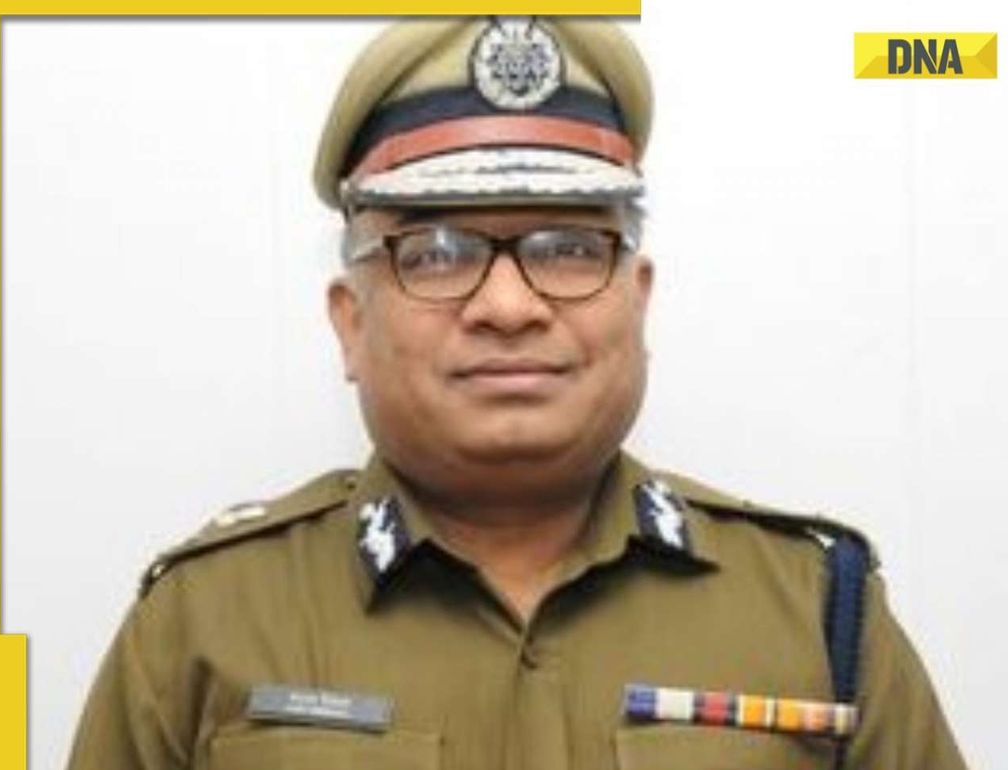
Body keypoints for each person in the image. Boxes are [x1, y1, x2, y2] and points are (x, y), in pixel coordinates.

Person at [66, 17, 968, 770]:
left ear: (638, 299)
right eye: (437, 254)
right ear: (350, 322)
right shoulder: (202, 627)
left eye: (569, 249)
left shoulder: (817, 615)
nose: (508, 306)